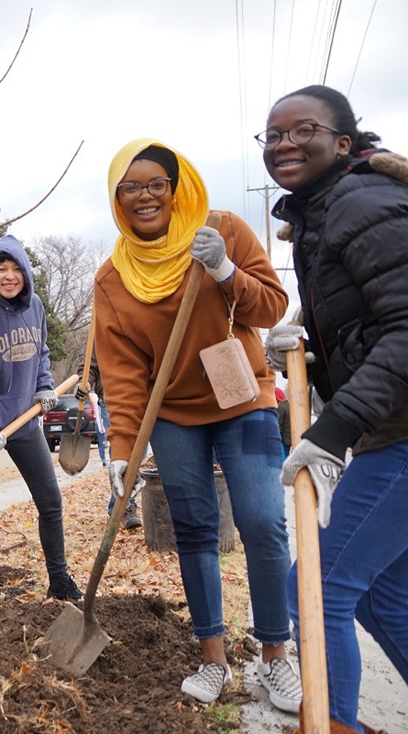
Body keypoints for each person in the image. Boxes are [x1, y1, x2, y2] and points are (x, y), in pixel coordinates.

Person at [94, 139, 301, 713]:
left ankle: (275, 657)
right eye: (130, 187)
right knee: (194, 531)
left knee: (262, 523)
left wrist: (226, 270)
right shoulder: (113, 279)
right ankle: (213, 660)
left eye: (156, 184)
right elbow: (126, 374)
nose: (145, 196)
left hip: (245, 402)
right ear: (117, 198)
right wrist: (121, 448)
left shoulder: (224, 230)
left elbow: (271, 307)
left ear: (175, 186)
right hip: (175, 416)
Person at [261, 85, 408, 734]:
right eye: (272, 135)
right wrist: (300, 341)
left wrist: (333, 428)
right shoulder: (321, 219)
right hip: (389, 431)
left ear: (343, 143)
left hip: (400, 436)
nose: (284, 143)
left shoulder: (361, 199)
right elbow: (364, 321)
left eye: (302, 130)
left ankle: (334, 722)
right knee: (386, 599)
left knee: (317, 591)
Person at [0, 234, 82, 620]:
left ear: (25, 272)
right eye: (0, 270)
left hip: (24, 422)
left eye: (15, 270)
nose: (9, 277)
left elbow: (40, 353)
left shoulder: (35, 307)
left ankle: (58, 579)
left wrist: (43, 386)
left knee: (51, 501)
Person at [81, 355, 142, 528]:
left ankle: (118, 505)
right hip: (112, 399)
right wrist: (84, 382)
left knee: (139, 455)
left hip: (141, 397)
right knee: (122, 453)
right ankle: (124, 507)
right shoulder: (103, 330)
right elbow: (89, 365)